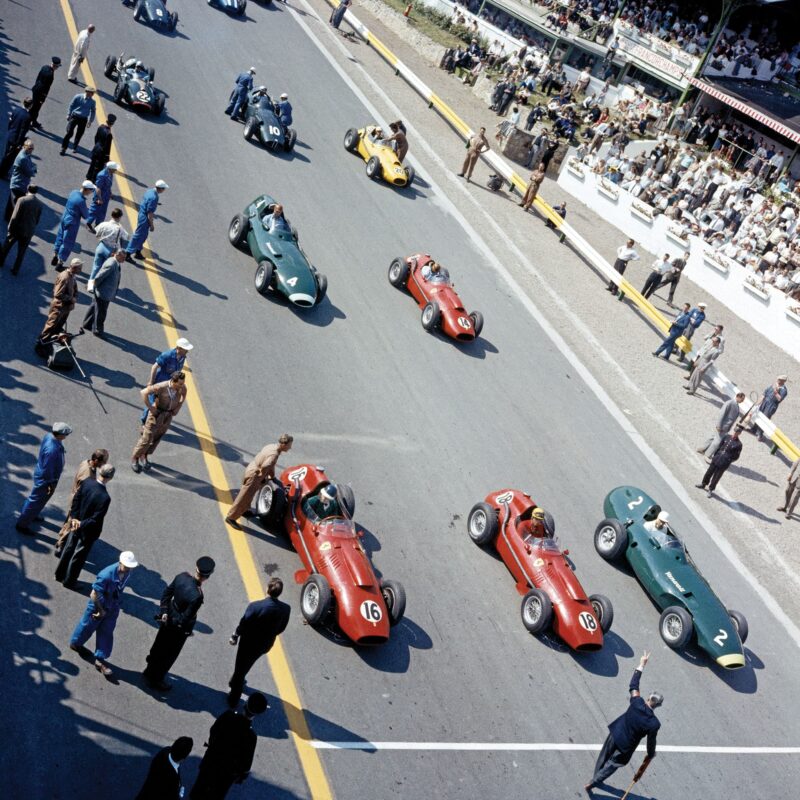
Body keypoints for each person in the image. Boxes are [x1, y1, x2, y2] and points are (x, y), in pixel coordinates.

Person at [585, 651, 661, 794]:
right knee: (612, 764)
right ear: (658, 705)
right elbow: (651, 742)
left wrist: (642, 664)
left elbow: (633, 685)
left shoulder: (637, 702)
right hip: (626, 747)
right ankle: (594, 782)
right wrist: (651, 754)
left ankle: (595, 775)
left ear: (649, 698)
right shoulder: (654, 724)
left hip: (616, 733)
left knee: (604, 756)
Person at [142, 556, 216, 691]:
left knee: (158, 646)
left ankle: (148, 670)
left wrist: (164, 612)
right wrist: (179, 625)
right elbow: (185, 618)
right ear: (207, 576)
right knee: (169, 655)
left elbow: (166, 595)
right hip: (178, 629)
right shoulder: (197, 596)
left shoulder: (182, 576)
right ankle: (156, 680)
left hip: (169, 614)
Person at [69, 550, 137, 676]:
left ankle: (100, 660)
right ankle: (76, 643)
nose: (128, 569)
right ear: (120, 562)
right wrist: (100, 610)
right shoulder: (106, 575)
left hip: (113, 606)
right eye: (126, 566)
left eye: (130, 567)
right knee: (87, 626)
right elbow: (94, 594)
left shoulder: (127, 572)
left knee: (107, 632)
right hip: (99, 605)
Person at [226, 577, 291, 707]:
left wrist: (235, 635)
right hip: (264, 645)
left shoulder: (256, 606)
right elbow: (281, 628)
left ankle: (233, 698)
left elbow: (244, 623)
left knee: (240, 667)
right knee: (248, 663)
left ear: (267, 589)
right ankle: (235, 680)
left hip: (248, 643)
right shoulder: (286, 609)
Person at [190, 693, 268, 799]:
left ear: (246, 703)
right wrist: (242, 775)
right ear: (258, 713)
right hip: (226, 774)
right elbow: (246, 762)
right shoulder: (251, 736)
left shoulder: (228, 716)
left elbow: (213, 731)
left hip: (211, 761)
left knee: (200, 787)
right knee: (217, 794)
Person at [55, 464, 115, 588]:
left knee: (68, 549)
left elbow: (76, 500)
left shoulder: (87, 482)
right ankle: (69, 581)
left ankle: (59, 574)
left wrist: (75, 519)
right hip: (87, 531)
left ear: (100, 472)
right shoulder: (105, 497)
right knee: (78, 557)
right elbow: (95, 519)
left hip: (75, 524)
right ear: (110, 477)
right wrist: (81, 524)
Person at [16, 422, 72, 534]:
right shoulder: (52, 450)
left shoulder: (50, 436)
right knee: (35, 501)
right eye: (66, 434)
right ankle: (22, 524)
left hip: (44, 475)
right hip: (46, 480)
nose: (66, 436)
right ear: (60, 434)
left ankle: (33, 514)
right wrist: (51, 483)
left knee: (39, 500)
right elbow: (47, 470)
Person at [225, 434, 294, 526]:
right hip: (255, 475)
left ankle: (244, 510)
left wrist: (272, 477)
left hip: (252, 467)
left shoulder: (271, 446)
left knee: (249, 494)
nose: (290, 447)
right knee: (244, 497)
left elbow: (270, 466)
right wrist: (262, 476)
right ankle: (231, 517)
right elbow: (266, 466)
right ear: (284, 445)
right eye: (289, 445)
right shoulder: (274, 454)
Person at [55, 448, 109, 556]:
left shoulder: (86, 463)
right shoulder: (87, 475)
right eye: (104, 462)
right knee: (72, 522)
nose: (105, 464)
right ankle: (61, 545)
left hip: (76, 497)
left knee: (69, 520)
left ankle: (61, 537)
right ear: (96, 460)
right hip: (78, 501)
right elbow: (82, 491)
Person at [131, 371, 187, 472]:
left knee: (157, 437)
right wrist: (150, 408)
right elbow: (143, 392)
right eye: (179, 383)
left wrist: (178, 406)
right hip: (156, 414)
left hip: (168, 416)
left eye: (182, 383)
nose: (182, 386)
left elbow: (184, 395)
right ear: (173, 381)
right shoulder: (161, 386)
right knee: (147, 438)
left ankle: (144, 455)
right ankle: (135, 458)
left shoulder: (182, 387)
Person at [140, 338, 193, 422]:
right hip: (160, 382)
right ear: (179, 348)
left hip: (170, 384)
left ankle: (158, 419)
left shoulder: (183, 358)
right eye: (186, 349)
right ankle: (144, 420)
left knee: (164, 402)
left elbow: (178, 371)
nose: (187, 351)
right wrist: (151, 382)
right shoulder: (167, 355)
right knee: (153, 400)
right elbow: (154, 367)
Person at [36, 258, 82, 347]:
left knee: (58, 326)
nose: (81, 270)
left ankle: (49, 343)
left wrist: (75, 297)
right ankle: (41, 344)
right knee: (51, 326)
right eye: (80, 268)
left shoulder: (72, 276)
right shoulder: (64, 277)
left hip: (65, 307)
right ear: (74, 268)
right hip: (58, 307)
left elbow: (75, 289)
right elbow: (58, 294)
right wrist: (71, 299)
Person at [80, 248, 123, 337]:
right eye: (123, 257)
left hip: (105, 292)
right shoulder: (111, 264)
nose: (124, 260)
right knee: (101, 313)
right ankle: (97, 330)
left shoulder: (115, 263)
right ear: (117, 255)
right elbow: (100, 276)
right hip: (103, 293)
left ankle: (87, 324)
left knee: (94, 307)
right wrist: (91, 285)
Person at [0, 184, 42, 275]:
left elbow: (14, 216)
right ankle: (15, 269)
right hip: (28, 231)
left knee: (7, 246)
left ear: (27, 189)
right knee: (21, 252)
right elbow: (37, 219)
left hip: (17, 229)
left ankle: (1, 261)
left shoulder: (22, 200)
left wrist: (10, 227)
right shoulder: (39, 204)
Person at [51, 181, 94, 268]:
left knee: (60, 237)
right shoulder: (81, 201)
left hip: (64, 217)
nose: (91, 192)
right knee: (68, 242)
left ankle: (55, 255)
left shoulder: (74, 192)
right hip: (72, 223)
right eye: (91, 190)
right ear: (87, 190)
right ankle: (60, 262)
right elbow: (86, 216)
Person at [126, 180, 168, 260]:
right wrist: (152, 225)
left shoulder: (150, 191)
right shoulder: (154, 197)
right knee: (138, 236)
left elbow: (147, 201)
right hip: (145, 218)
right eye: (164, 188)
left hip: (142, 214)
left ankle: (138, 252)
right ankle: (127, 253)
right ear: (161, 189)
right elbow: (150, 214)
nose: (164, 190)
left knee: (143, 236)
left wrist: (155, 203)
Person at [696, 426, 743, 498]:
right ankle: (703, 484)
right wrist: (715, 455)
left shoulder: (738, 444)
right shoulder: (727, 437)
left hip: (724, 462)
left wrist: (728, 460)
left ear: (739, 433)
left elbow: (736, 456)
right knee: (709, 472)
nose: (735, 433)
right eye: (734, 431)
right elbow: (719, 446)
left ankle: (710, 489)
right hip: (717, 458)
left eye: (737, 432)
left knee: (716, 477)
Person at [699, 392, 744, 459]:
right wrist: (719, 425)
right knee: (717, 441)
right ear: (738, 397)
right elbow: (721, 414)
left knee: (713, 437)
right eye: (742, 399)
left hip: (725, 427)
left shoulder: (736, 405)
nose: (742, 401)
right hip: (722, 426)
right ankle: (708, 455)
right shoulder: (730, 403)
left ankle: (702, 449)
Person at [90, 207, 128, 285]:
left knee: (96, 267)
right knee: (105, 269)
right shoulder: (119, 228)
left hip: (101, 246)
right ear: (119, 217)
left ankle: (90, 285)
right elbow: (126, 236)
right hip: (110, 251)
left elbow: (96, 232)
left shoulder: (104, 224)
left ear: (111, 215)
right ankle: (98, 285)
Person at [5, 139, 37, 221]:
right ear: (26, 147)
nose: (32, 150)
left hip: (19, 183)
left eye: (32, 149)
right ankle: (10, 218)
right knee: (14, 203)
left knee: (13, 202)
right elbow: (29, 172)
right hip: (19, 184)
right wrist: (33, 170)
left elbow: (29, 166)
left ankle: (8, 217)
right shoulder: (23, 158)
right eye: (30, 148)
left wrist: (32, 168)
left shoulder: (25, 154)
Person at [0, 98, 33, 178]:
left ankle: (2, 171)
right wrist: (19, 143)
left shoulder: (16, 110)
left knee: (6, 154)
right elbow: (22, 131)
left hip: (10, 134)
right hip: (16, 140)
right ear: (30, 106)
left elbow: (10, 122)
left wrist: (9, 131)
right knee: (10, 158)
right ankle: (2, 173)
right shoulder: (27, 117)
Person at [60, 86, 96, 155]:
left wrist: (90, 121)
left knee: (79, 134)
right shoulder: (78, 96)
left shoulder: (92, 102)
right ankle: (63, 148)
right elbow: (71, 105)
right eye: (91, 93)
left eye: (92, 93)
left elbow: (93, 111)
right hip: (75, 117)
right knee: (69, 132)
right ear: (87, 92)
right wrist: (68, 114)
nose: (92, 94)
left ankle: (74, 147)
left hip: (83, 119)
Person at [29, 56, 62, 130]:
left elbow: (38, 78)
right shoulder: (50, 75)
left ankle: (34, 121)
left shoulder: (44, 67)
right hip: (40, 93)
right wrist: (43, 98)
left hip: (36, 88)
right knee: (35, 108)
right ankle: (29, 122)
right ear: (55, 66)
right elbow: (46, 88)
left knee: (35, 107)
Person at [753, 376, 788, 441]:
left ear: (783, 381)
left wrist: (776, 392)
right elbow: (764, 393)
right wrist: (758, 403)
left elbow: (779, 399)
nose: (778, 380)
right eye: (778, 379)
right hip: (765, 401)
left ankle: (760, 434)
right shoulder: (773, 385)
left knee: (765, 418)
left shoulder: (784, 390)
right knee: (759, 415)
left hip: (771, 405)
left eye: (780, 379)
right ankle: (754, 429)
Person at [86, 161, 118, 230]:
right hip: (99, 196)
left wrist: (110, 193)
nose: (116, 170)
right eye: (115, 169)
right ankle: (88, 223)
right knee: (94, 210)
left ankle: (98, 225)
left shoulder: (110, 173)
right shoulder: (102, 175)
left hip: (106, 195)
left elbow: (108, 185)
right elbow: (98, 188)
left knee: (102, 211)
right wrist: (99, 199)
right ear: (110, 169)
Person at [86, 115, 116, 183]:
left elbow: (96, 137)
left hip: (96, 148)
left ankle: (88, 177)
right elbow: (107, 148)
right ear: (112, 124)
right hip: (101, 153)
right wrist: (107, 159)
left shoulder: (100, 127)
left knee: (92, 164)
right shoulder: (109, 134)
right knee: (98, 167)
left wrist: (97, 145)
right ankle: (93, 181)